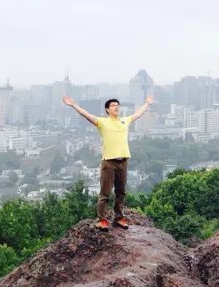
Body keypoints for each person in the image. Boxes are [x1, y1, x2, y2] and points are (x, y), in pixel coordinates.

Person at [62, 94, 153, 230]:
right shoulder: (102, 122)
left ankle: (119, 218)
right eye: (113, 106)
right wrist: (73, 104)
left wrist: (147, 103)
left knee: (121, 192)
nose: (116, 107)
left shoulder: (125, 121)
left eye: (118, 105)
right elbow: (86, 114)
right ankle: (101, 219)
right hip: (109, 162)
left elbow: (138, 114)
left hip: (123, 161)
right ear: (107, 110)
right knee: (105, 193)